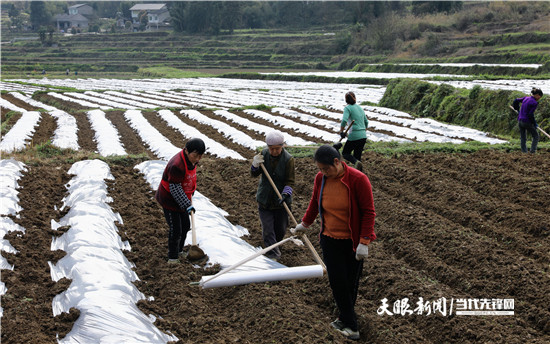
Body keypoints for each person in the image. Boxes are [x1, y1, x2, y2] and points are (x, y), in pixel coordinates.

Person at [291, 144, 376, 341]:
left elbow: (368, 212)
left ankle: (344, 318)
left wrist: (364, 241)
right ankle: (352, 326)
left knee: (349, 283)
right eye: (320, 169)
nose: (323, 172)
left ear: (337, 162)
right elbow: (315, 203)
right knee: (337, 282)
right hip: (329, 238)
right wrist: (305, 223)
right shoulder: (321, 178)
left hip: (352, 241)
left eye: (325, 168)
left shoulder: (358, 179)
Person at [156, 138, 206, 264]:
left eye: (200, 156)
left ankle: (179, 251)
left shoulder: (192, 161)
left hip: (183, 197)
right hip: (170, 200)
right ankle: (172, 258)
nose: (197, 159)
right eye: (195, 155)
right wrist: (187, 205)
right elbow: (175, 187)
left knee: (185, 226)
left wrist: (190, 194)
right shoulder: (176, 165)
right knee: (176, 229)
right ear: (186, 151)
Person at [251, 130, 295, 261]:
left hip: (281, 200)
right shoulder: (263, 155)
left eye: (277, 148)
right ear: (267, 147)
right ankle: (273, 254)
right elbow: (254, 174)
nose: (275, 151)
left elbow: (290, 181)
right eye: (272, 149)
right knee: (268, 228)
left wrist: (286, 194)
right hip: (265, 198)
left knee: (280, 229)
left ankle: (275, 246)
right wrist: (254, 165)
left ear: (282, 146)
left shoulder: (288, 160)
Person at [340, 91, 369, 172]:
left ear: (346, 100)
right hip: (363, 136)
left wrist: (341, 131)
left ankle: (356, 163)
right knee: (357, 156)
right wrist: (363, 131)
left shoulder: (347, 108)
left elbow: (344, 120)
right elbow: (366, 122)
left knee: (345, 153)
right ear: (355, 98)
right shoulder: (360, 108)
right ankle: (361, 175)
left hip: (354, 135)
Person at [513, 87, 543, 153]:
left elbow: (516, 100)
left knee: (523, 137)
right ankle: (532, 151)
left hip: (520, 120)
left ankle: (524, 152)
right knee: (536, 136)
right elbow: (530, 115)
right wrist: (534, 124)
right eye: (539, 97)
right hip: (526, 121)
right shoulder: (534, 103)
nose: (539, 99)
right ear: (537, 95)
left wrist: (517, 109)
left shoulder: (526, 98)